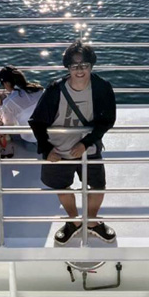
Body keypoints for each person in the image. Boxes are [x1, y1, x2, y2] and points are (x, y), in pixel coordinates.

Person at [28, 40, 116, 245]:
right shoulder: (55, 89)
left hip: (89, 148)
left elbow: (107, 120)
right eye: (74, 65)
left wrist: (85, 143)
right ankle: (74, 221)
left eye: (84, 65)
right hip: (58, 150)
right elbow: (37, 122)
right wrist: (47, 149)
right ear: (67, 67)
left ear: (91, 65)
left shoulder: (102, 87)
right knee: (62, 186)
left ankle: (91, 221)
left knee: (98, 185)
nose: (79, 70)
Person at [0, 65, 43, 153]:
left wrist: (1, 107)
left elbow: (8, 126)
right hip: (50, 137)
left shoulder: (9, 102)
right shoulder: (38, 89)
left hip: (33, 144)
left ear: (7, 83)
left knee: (10, 134)